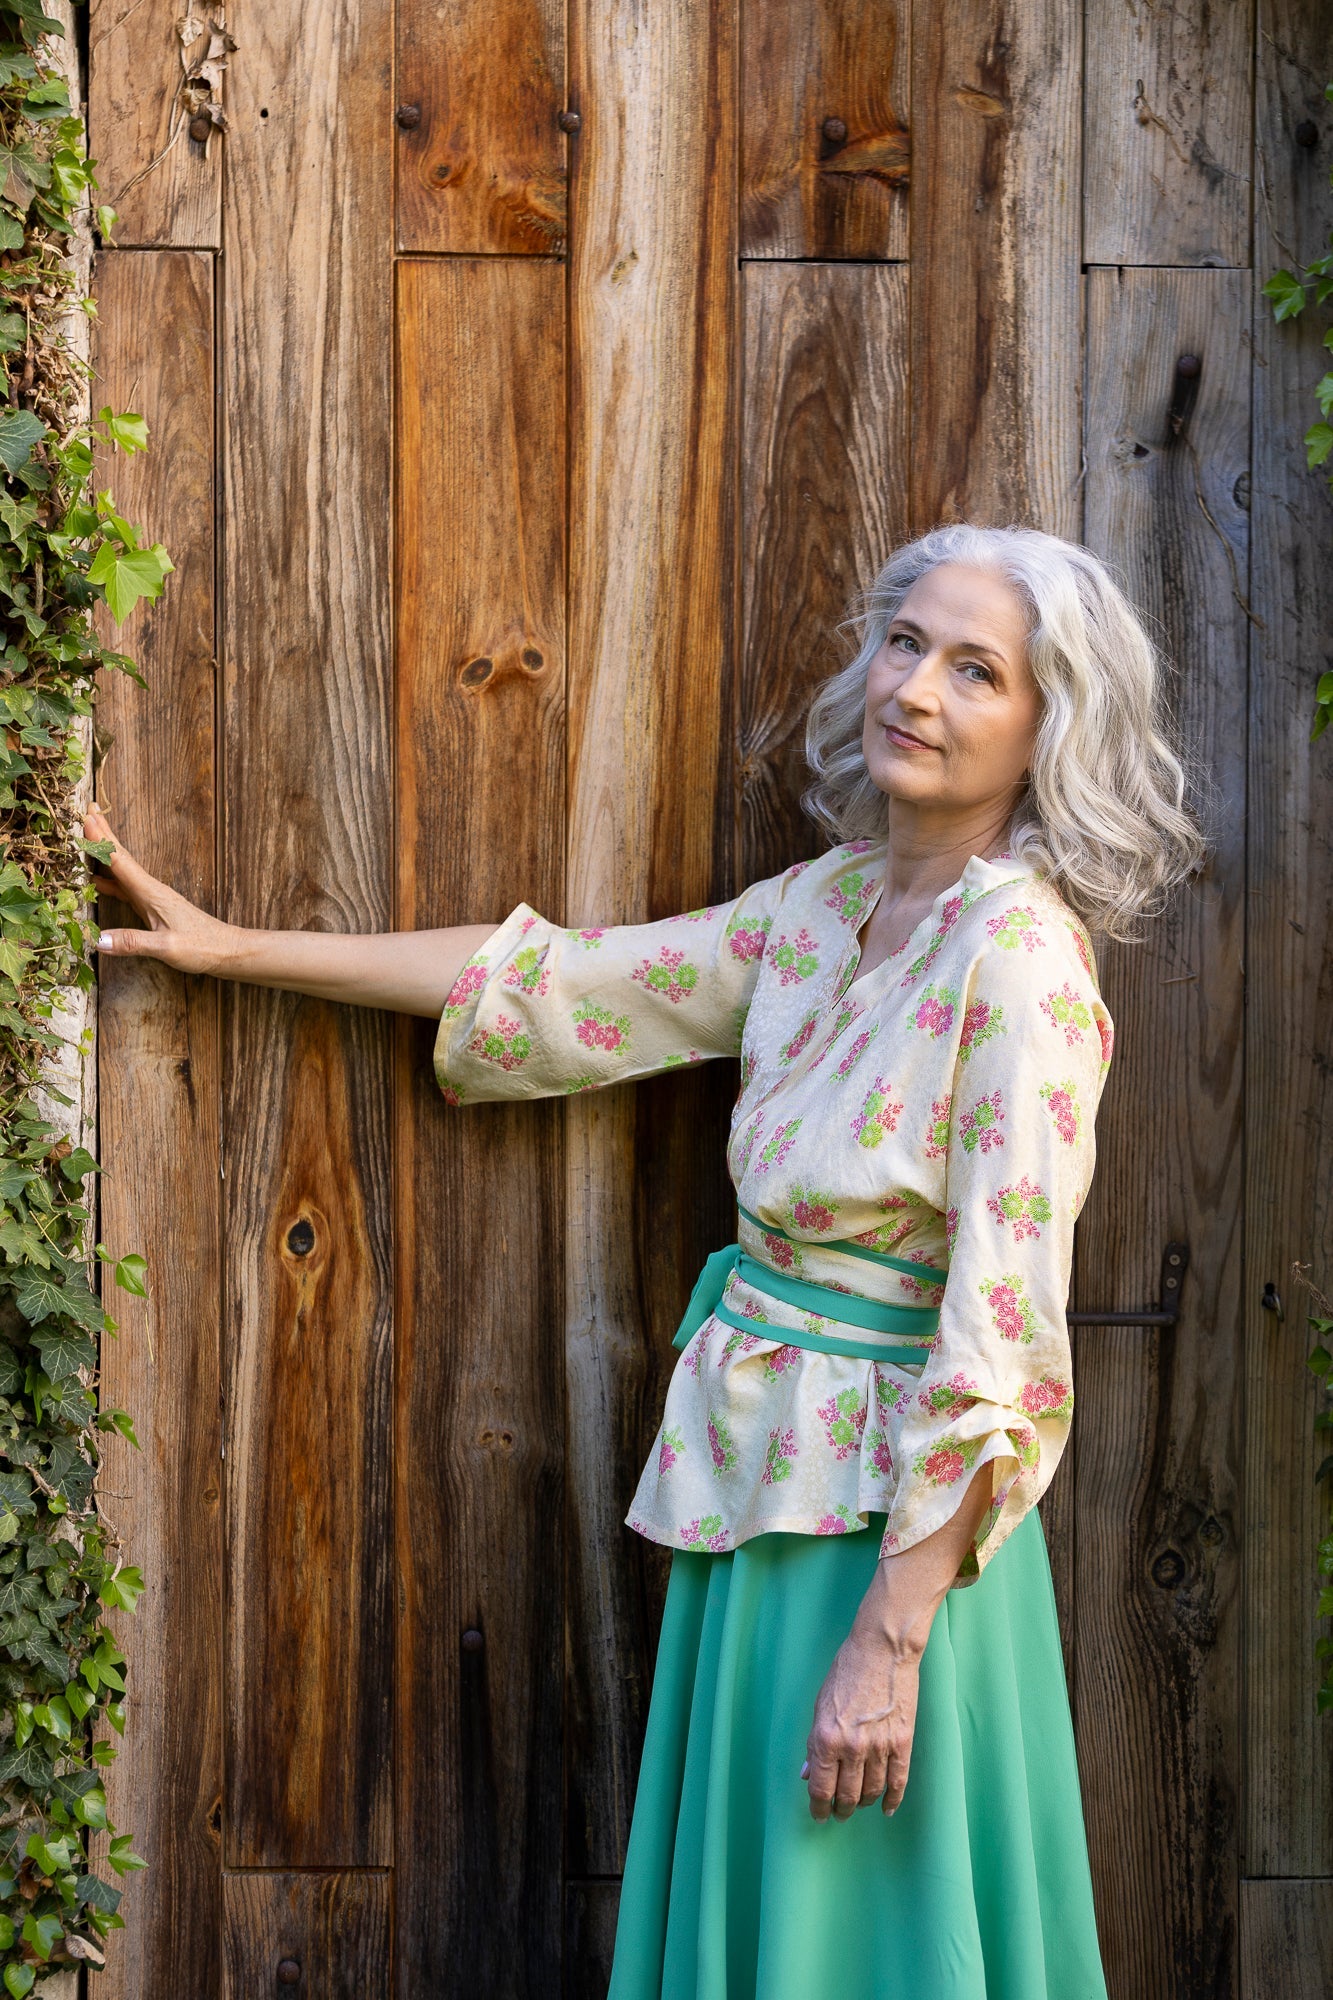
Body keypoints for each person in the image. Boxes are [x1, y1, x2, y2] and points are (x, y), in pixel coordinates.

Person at [87, 522, 1206, 1999]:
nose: (917, 689)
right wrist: (236, 948)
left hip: (892, 1548)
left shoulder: (1020, 963)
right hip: (761, 1494)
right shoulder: (822, 909)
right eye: (904, 642)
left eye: (975, 669)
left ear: (1050, 725)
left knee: (873, 1935)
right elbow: (564, 987)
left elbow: (1004, 1327)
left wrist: (889, 1643)